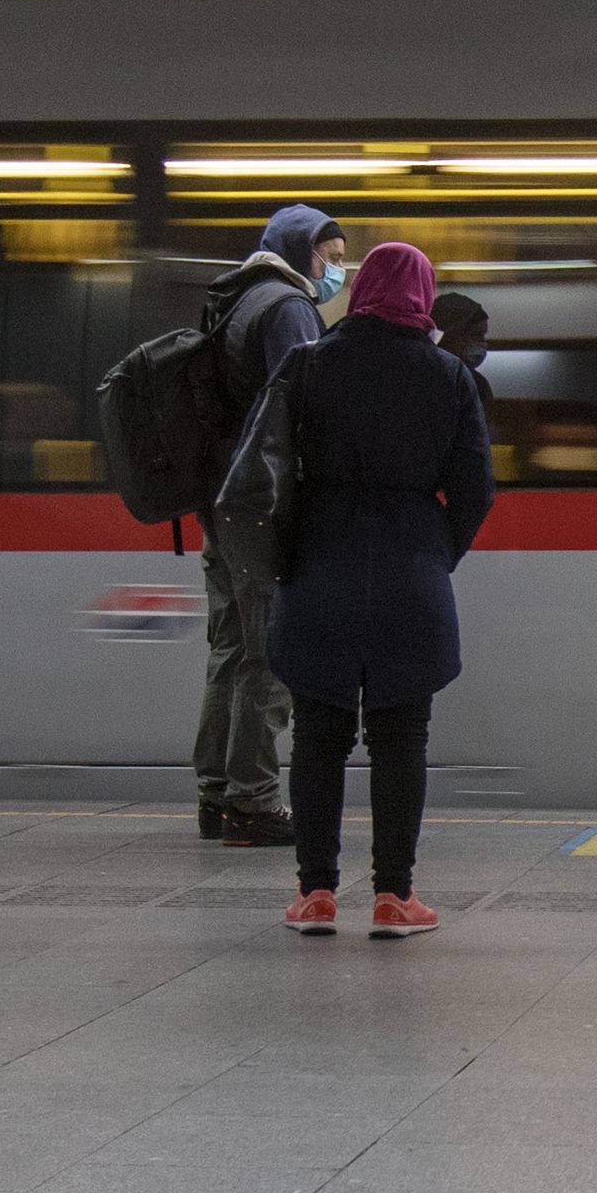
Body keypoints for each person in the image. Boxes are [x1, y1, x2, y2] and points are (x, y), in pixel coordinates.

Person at [258, 243, 495, 939]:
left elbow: (266, 465)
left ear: (360, 292)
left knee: (318, 734)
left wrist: (290, 547)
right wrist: (436, 548)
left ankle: (316, 895)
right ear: (422, 296)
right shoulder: (449, 375)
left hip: (320, 562)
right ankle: (394, 896)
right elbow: (476, 488)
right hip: (410, 564)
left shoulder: (307, 364)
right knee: (402, 736)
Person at [189, 205, 343, 848]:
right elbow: (302, 407)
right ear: (300, 251)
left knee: (228, 652)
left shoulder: (237, 301)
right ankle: (252, 804)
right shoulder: (288, 308)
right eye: (330, 255)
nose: (338, 267)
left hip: (220, 501)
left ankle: (216, 795)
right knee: (267, 656)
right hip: (258, 504)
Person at [432, 290, 494, 406]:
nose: (482, 343)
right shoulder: (422, 381)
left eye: (483, 336)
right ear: (450, 334)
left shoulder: (477, 383)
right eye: (475, 335)